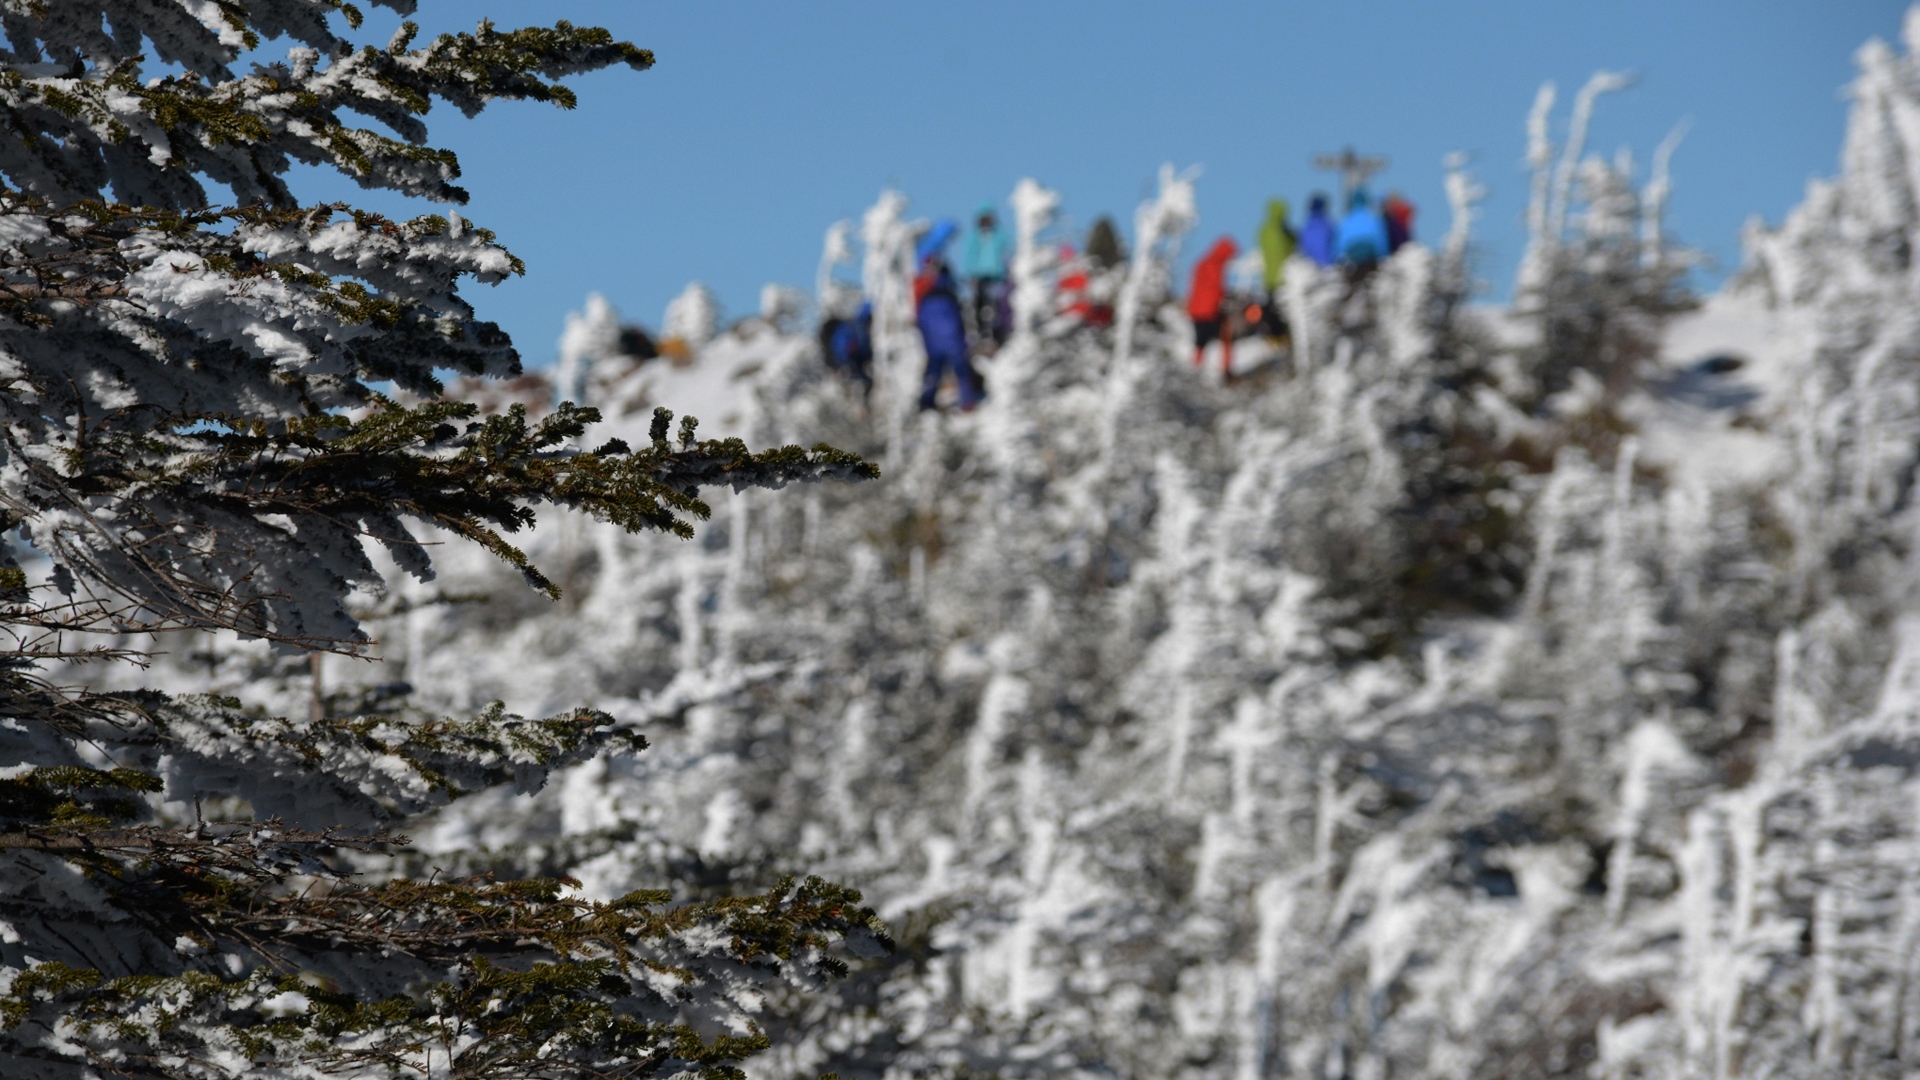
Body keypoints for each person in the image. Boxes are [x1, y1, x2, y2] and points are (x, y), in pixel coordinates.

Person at [915, 222, 982, 412]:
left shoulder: (923, 286)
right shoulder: (936, 276)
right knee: (959, 363)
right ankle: (967, 401)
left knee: (934, 367)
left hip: (931, 330)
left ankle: (926, 403)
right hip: (947, 324)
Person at [960, 201, 1011, 348]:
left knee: (998, 305)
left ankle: (998, 333)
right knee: (981, 305)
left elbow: (1008, 248)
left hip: (997, 276)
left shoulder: (999, 234)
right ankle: (982, 334)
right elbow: (970, 256)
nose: (986, 221)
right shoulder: (974, 236)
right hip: (980, 277)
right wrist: (972, 274)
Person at [1187, 235, 1239, 374]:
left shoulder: (1202, 262)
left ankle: (1195, 370)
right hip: (1210, 310)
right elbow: (1216, 289)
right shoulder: (1215, 265)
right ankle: (1226, 371)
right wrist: (1224, 299)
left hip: (1196, 310)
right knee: (1226, 337)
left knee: (1200, 342)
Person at [818, 300, 874, 403]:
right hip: (866, 346)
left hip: (866, 348)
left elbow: (856, 365)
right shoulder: (847, 328)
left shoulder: (841, 355)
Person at [1336, 187, 1391, 270]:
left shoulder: (1346, 220)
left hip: (1352, 257)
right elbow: (1381, 240)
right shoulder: (1374, 219)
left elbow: (1339, 244)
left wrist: (1337, 257)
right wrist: (1383, 254)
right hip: (1371, 257)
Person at [1300, 193, 1338, 267]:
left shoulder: (1307, 225)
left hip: (1311, 266)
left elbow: (1302, 247)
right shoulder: (1328, 224)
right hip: (1327, 265)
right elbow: (1335, 245)